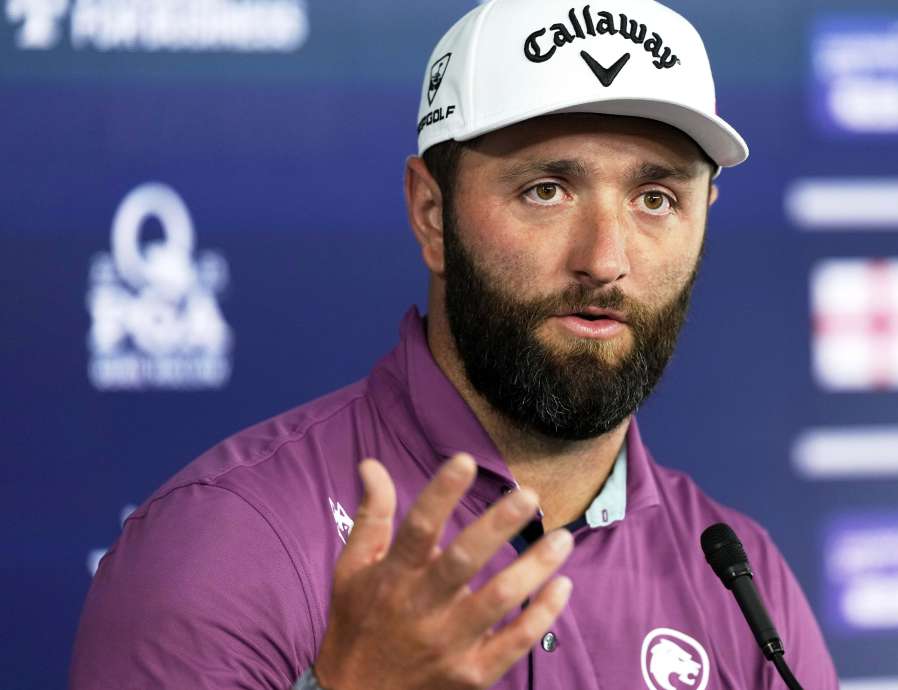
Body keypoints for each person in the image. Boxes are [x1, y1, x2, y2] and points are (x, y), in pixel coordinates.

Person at [70, 0, 840, 688]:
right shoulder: (226, 542)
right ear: (432, 213)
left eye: (655, 197)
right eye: (547, 189)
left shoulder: (742, 584)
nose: (607, 259)